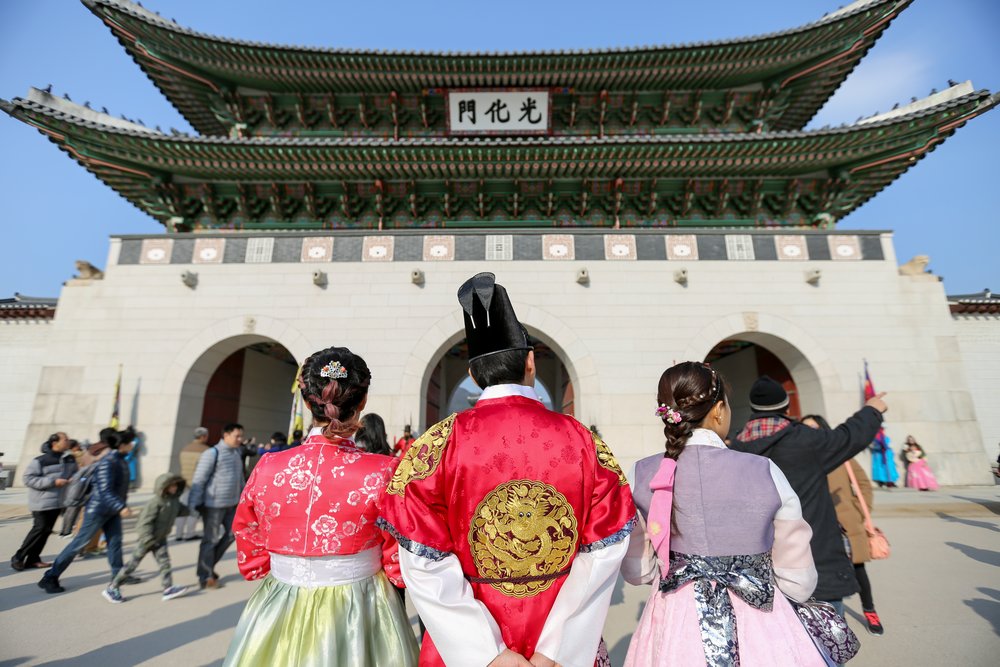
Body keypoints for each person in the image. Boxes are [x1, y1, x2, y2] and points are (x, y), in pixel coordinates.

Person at [380, 272, 636, 667]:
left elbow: (423, 560)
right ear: (530, 362)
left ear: (472, 375)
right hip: (564, 636)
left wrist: (487, 653)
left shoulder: (436, 445)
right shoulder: (583, 441)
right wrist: (557, 648)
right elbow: (604, 550)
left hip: (468, 643)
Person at [225, 347, 418, 666]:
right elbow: (401, 547)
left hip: (280, 598)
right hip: (359, 601)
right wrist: (396, 574)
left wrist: (266, 564)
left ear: (306, 400)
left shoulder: (268, 466)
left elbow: (247, 531)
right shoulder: (384, 469)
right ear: (363, 401)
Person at [623, 362, 823, 666]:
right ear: (718, 410)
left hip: (676, 614)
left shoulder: (643, 473)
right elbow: (798, 579)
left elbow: (638, 571)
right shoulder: (764, 470)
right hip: (757, 612)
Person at [729, 376, 888, 616]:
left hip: (759, 567)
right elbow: (848, 436)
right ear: (787, 407)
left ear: (753, 410)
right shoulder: (805, 440)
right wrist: (872, 410)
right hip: (813, 561)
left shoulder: (734, 449)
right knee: (827, 642)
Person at [803, 414, 885, 636]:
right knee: (823, 572)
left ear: (824, 428)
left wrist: (857, 512)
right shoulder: (801, 455)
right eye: (805, 428)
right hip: (817, 524)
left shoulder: (842, 455)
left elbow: (863, 485)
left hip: (845, 524)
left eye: (814, 427)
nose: (810, 431)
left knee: (858, 570)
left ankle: (870, 610)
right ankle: (834, 618)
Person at [39, 428, 132, 594]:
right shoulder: (108, 462)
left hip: (111, 510)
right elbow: (105, 490)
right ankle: (50, 576)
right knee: (78, 544)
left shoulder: (120, 460)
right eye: (130, 442)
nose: (132, 445)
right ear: (123, 445)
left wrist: (119, 506)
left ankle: (118, 574)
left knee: (115, 543)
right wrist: (121, 507)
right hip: (98, 510)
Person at [103, 472, 190, 603]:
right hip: (147, 540)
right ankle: (113, 587)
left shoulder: (174, 501)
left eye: (176, 486)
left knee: (165, 563)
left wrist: (195, 507)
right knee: (132, 565)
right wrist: (148, 539)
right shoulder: (155, 503)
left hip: (160, 539)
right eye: (171, 486)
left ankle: (168, 588)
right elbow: (144, 523)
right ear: (163, 487)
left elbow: (182, 510)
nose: (174, 488)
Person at [188, 422, 246, 590]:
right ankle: (205, 576)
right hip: (214, 505)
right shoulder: (212, 453)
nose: (240, 439)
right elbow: (199, 480)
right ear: (226, 435)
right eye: (237, 436)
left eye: (241, 436)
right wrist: (193, 504)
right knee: (210, 539)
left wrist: (244, 498)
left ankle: (207, 565)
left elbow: (239, 479)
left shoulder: (236, 453)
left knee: (231, 535)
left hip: (232, 504)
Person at [12, 432, 77, 570]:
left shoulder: (69, 459)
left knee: (46, 531)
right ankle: (18, 556)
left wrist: (73, 479)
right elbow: (28, 479)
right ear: (55, 443)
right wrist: (53, 482)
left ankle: (33, 559)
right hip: (41, 502)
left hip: (58, 502)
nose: (68, 441)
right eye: (65, 439)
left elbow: (76, 474)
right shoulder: (41, 460)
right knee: (39, 528)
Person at [174, 426, 210, 542]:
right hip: (197, 484)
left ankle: (178, 534)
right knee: (194, 510)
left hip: (184, 483)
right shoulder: (206, 450)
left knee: (182, 509)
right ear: (203, 436)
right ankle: (190, 533)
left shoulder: (185, 448)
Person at [58, 439, 85, 537]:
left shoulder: (65, 456)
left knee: (69, 509)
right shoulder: (75, 456)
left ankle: (65, 530)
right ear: (74, 447)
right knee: (73, 508)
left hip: (66, 486)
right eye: (78, 445)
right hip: (74, 485)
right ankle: (67, 531)